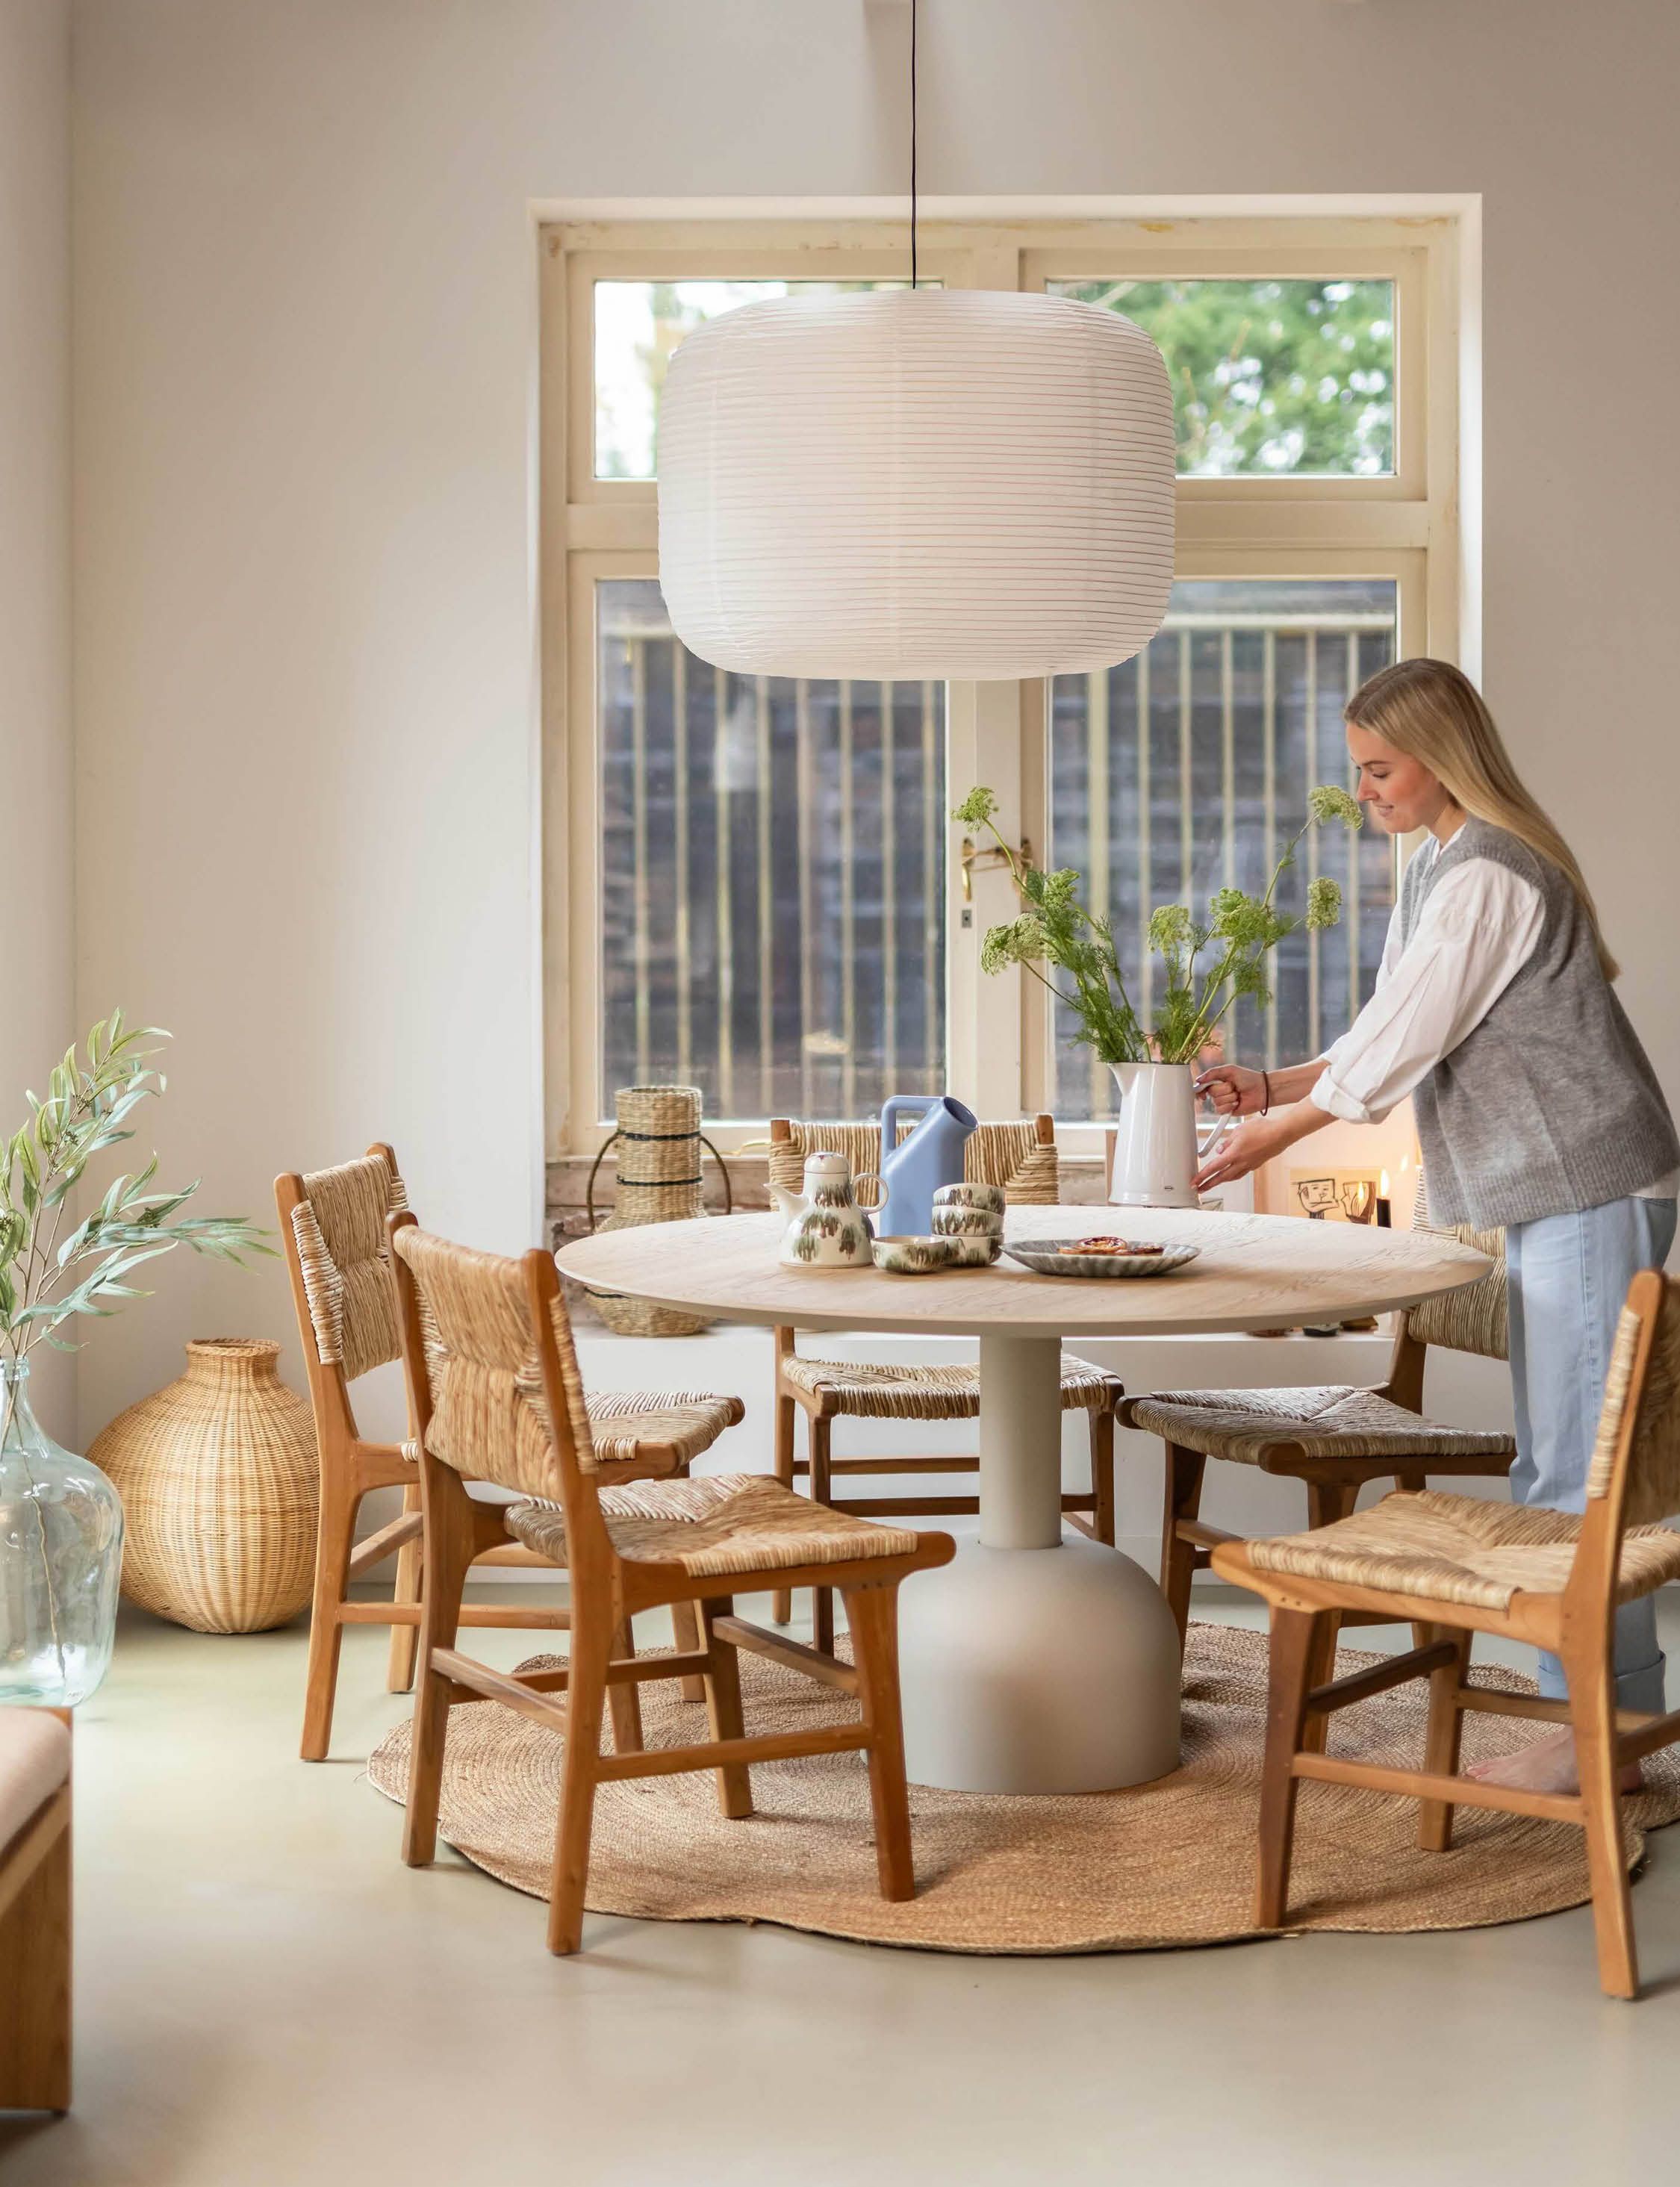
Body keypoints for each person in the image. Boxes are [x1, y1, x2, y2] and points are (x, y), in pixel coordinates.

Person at [1195, 656, 1678, 1794]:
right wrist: (1273, 1088)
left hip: (1584, 1184)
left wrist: (1277, 1135)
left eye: (1378, 769)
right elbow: (1392, 1025)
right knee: (1580, 1466)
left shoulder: (1488, 875)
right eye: (1355, 772)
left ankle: (1585, 1740)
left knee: (1576, 1476)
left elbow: (1402, 1043)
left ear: (1439, 757)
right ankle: (1622, 1726)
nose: (1362, 791)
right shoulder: (1440, 868)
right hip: (1561, 1190)